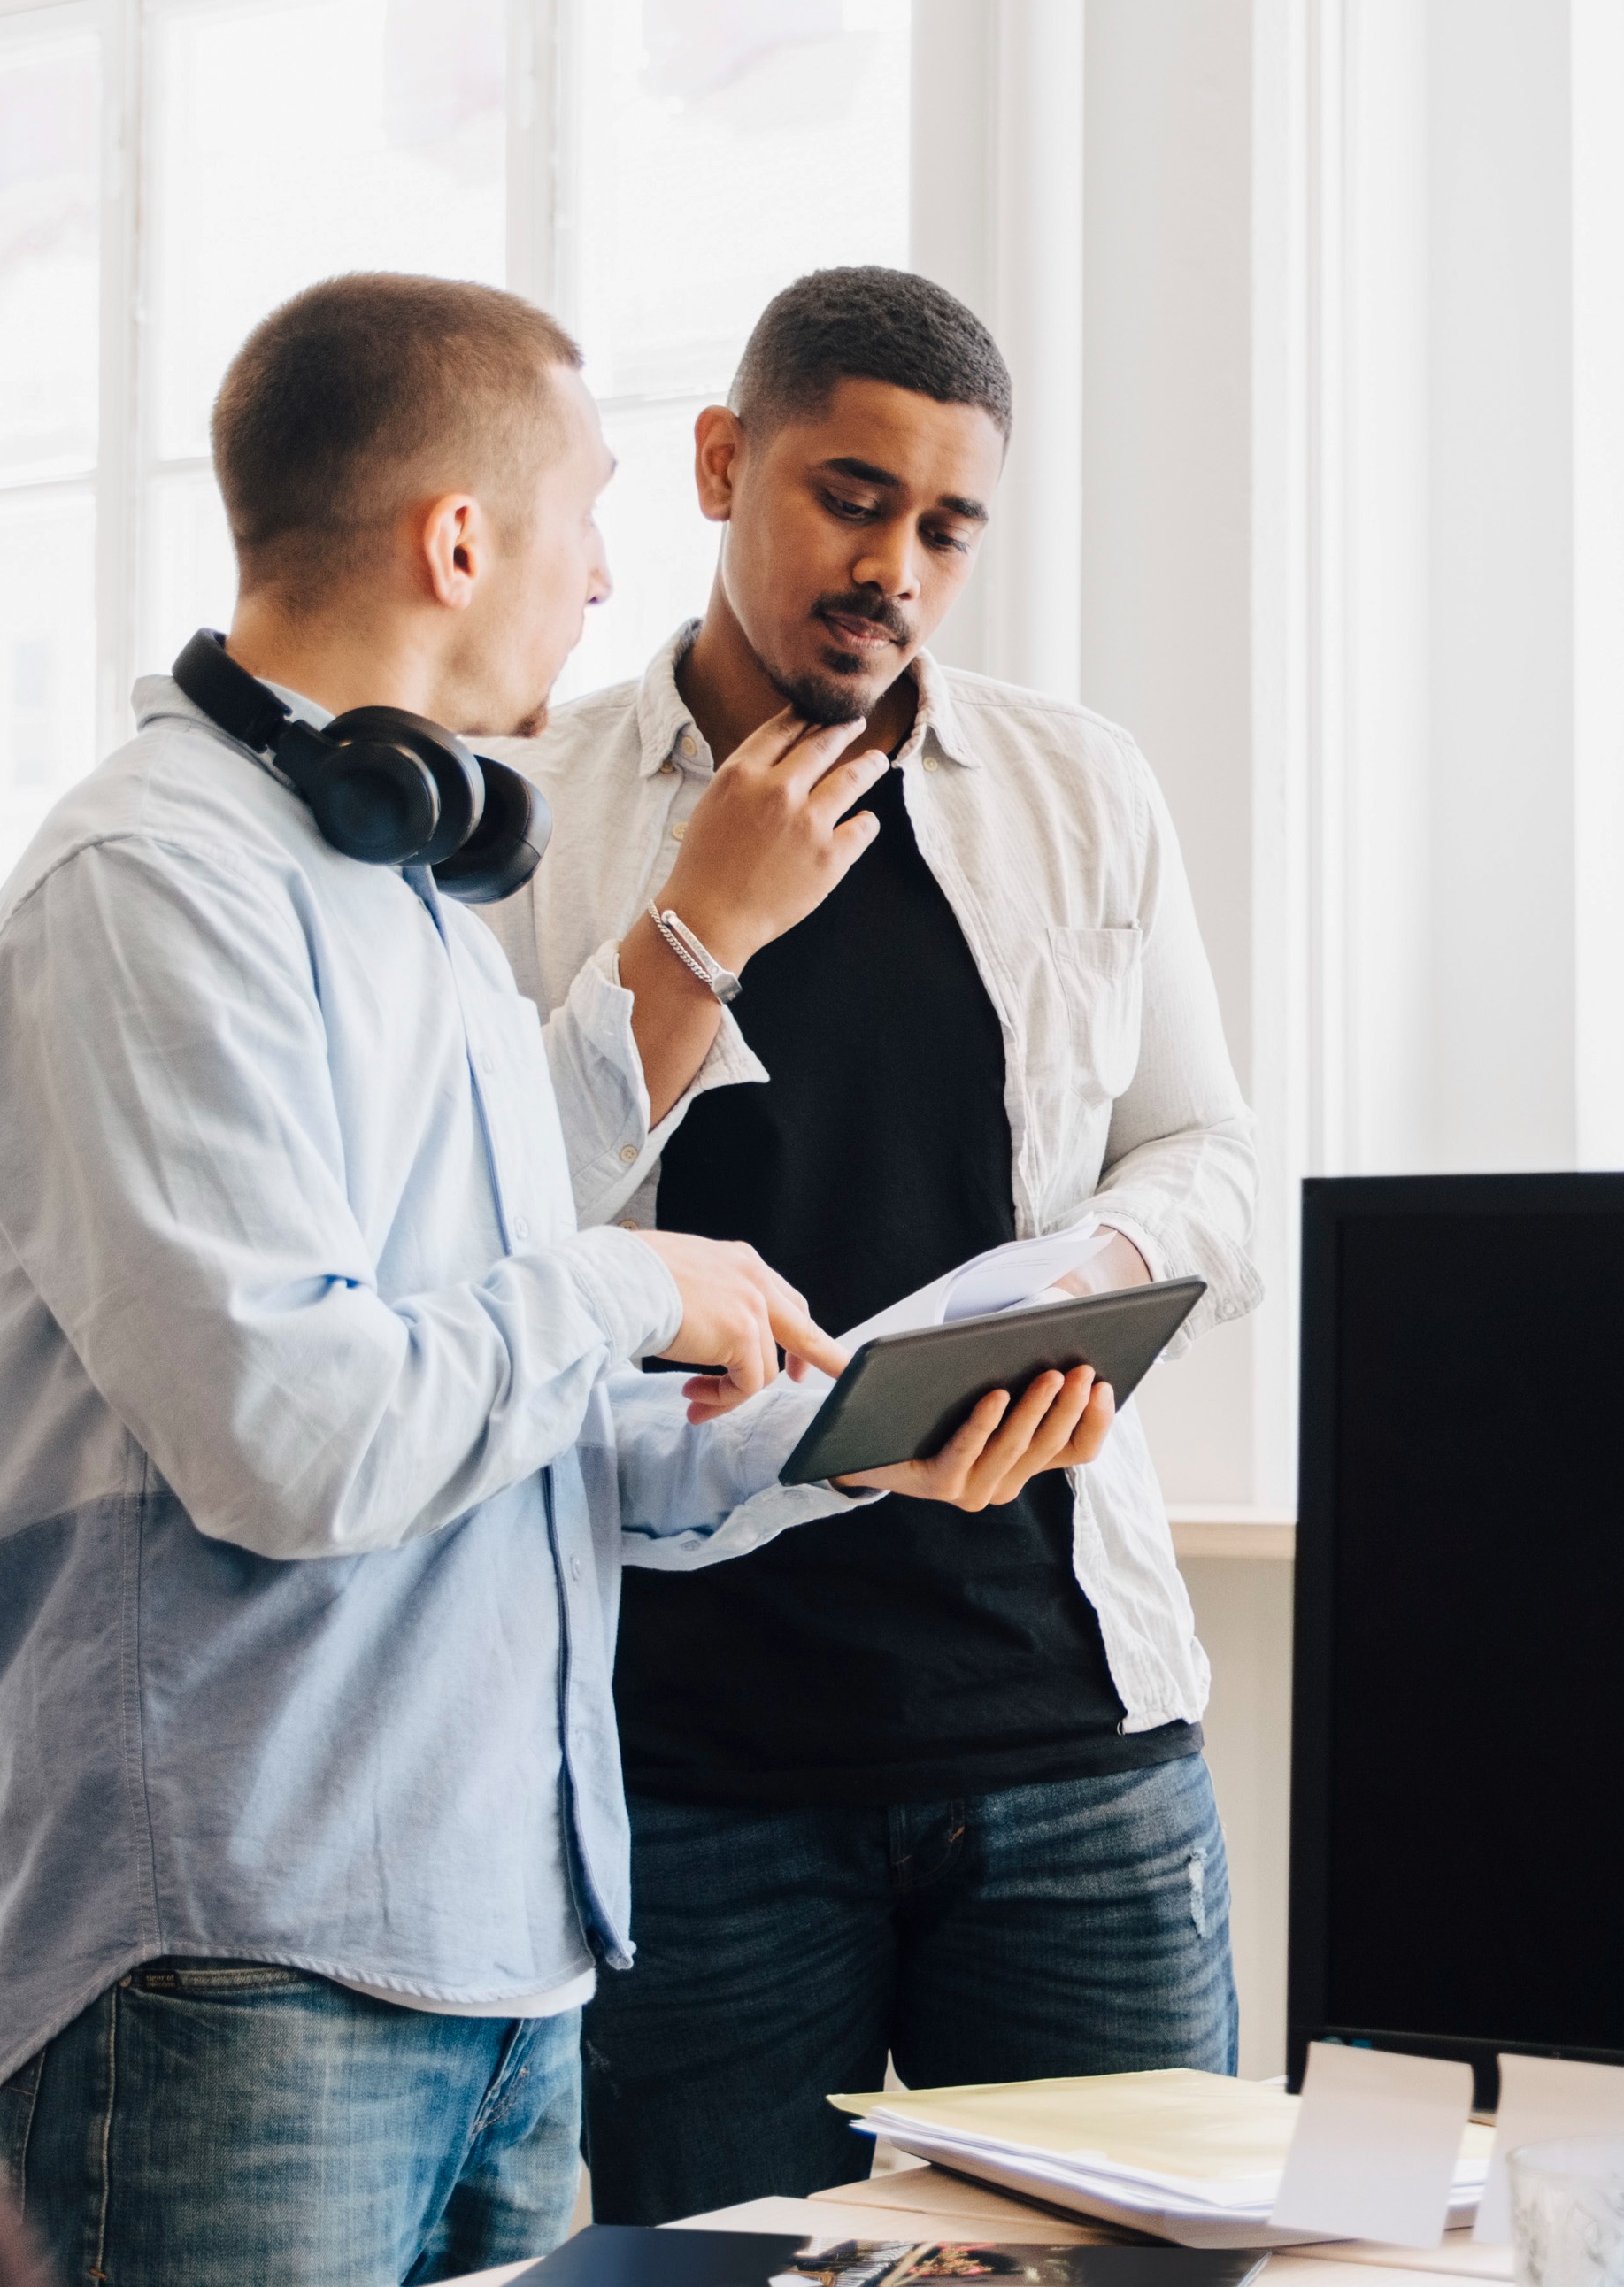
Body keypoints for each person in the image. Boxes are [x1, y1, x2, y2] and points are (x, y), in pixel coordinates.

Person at [0, 271, 1111, 2287]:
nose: (600, 578)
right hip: (240, 1957)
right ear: (459, 539)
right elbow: (294, 1437)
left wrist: (833, 1438)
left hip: (504, 1961)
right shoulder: (146, 889)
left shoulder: (407, 900)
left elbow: (512, 1414)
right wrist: (634, 1286)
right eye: (586, 513)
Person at [487, 265, 1260, 2221]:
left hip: (1072, 1743)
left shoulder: (1078, 789)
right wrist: (694, 923)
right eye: (850, 497)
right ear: (722, 463)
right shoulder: (530, 813)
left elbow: (1209, 1153)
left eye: (945, 525)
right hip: (696, 1771)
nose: (893, 566)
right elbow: (480, 1245)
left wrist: (1089, 1293)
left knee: (1149, 2269)